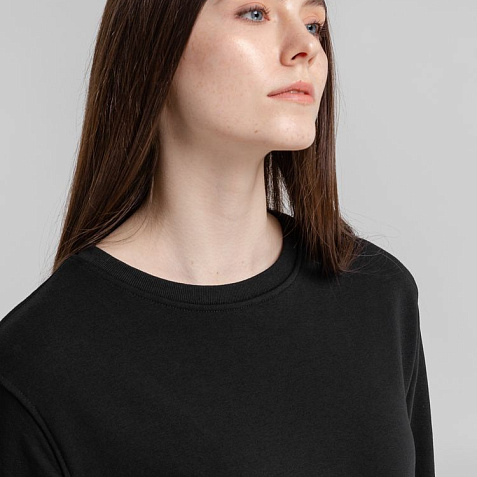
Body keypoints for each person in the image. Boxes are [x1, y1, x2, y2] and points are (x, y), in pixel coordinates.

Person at [0, 0, 435, 475]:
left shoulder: (380, 296)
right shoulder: (37, 366)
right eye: (255, 13)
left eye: (313, 23)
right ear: (155, 43)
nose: (306, 47)